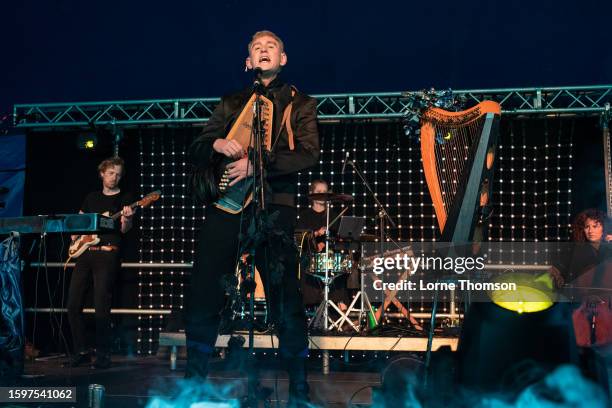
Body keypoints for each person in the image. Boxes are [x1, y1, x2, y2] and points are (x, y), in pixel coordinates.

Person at [186, 30, 319, 405]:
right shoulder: (231, 102)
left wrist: (257, 164)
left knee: (284, 296)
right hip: (228, 206)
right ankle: (192, 382)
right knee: (204, 291)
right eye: (256, 48)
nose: (263, 51)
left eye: (270, 46)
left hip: (273, 207)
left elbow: (309, 154)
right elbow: (197, 147)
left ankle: (298, 389)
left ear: (283, 59)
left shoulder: (302, 103)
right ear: (248, 62)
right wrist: (215, 143)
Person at [66, 157, 135, 369]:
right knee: (73, 305)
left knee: (101, 306)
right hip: (86, 254)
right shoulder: (91, 198)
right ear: (102, 173)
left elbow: (124, 230)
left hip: (107, 254)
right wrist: (76, 237)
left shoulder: (126, 198)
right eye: (111, 173)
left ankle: (104, 355)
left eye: (119, 174)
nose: (115, 177)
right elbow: (79, 222)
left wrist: (128, 218)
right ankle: (81, 351)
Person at [549, 209, 612, 346]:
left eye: (595, 226)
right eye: (587, 226)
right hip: (582, 304)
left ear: (604, 228)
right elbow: (559, 269)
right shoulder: (577, 250)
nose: (590, 230)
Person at [296, 179, 349, 311]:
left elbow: (340, 240)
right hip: (310, 260)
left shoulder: (333, 216)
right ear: (311, 193)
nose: (322, 194)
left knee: (341, 269)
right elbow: (299, 239)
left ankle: (341, 310)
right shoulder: (304, 216)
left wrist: (333, 242)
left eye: (324, 192)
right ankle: (312, 308)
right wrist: (316, 234)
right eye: (318, 192)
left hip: (330, 260)